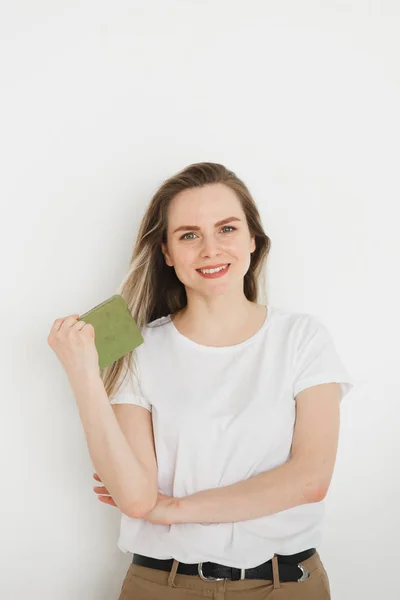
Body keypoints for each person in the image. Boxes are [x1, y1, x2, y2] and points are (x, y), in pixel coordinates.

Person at [49, 162, 354, 599]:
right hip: (163, 585)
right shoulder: (138, 349)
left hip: (284, 585)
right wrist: (83, 374)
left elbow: (309, 479)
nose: (210, 249)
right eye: (189, 235)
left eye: (226, 229)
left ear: (254, 239)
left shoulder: (302, 338)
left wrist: (172, 508)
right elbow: (136, 500)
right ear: (166, 252)